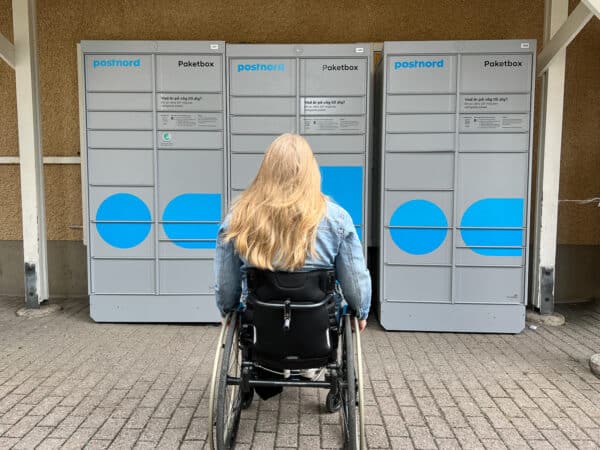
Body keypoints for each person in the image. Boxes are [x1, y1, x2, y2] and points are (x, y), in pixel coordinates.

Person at [214, 133, 371, 332]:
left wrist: (228, 312)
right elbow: (355, 281)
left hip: (260, 331)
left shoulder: (238, 218)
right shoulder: (337, 219)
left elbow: (225, 283)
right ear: (311, 171)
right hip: (320, 330)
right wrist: (360, 312)